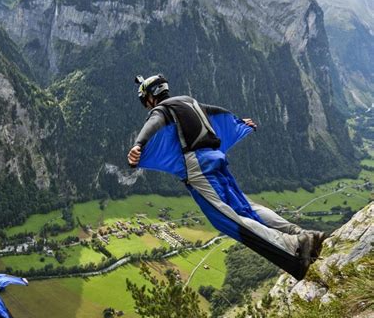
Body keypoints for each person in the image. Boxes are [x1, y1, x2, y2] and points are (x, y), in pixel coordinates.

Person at [128, 74, 326, 281]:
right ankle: (302, 235)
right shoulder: (189, 101)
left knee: (226, 218)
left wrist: (138, 145)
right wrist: (239, 122)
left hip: (198, 166)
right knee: (245, 207)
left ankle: (292, 246)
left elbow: (154, 123)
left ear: (150, 97)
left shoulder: (161, 110)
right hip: (216, 157)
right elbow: (217, 113)